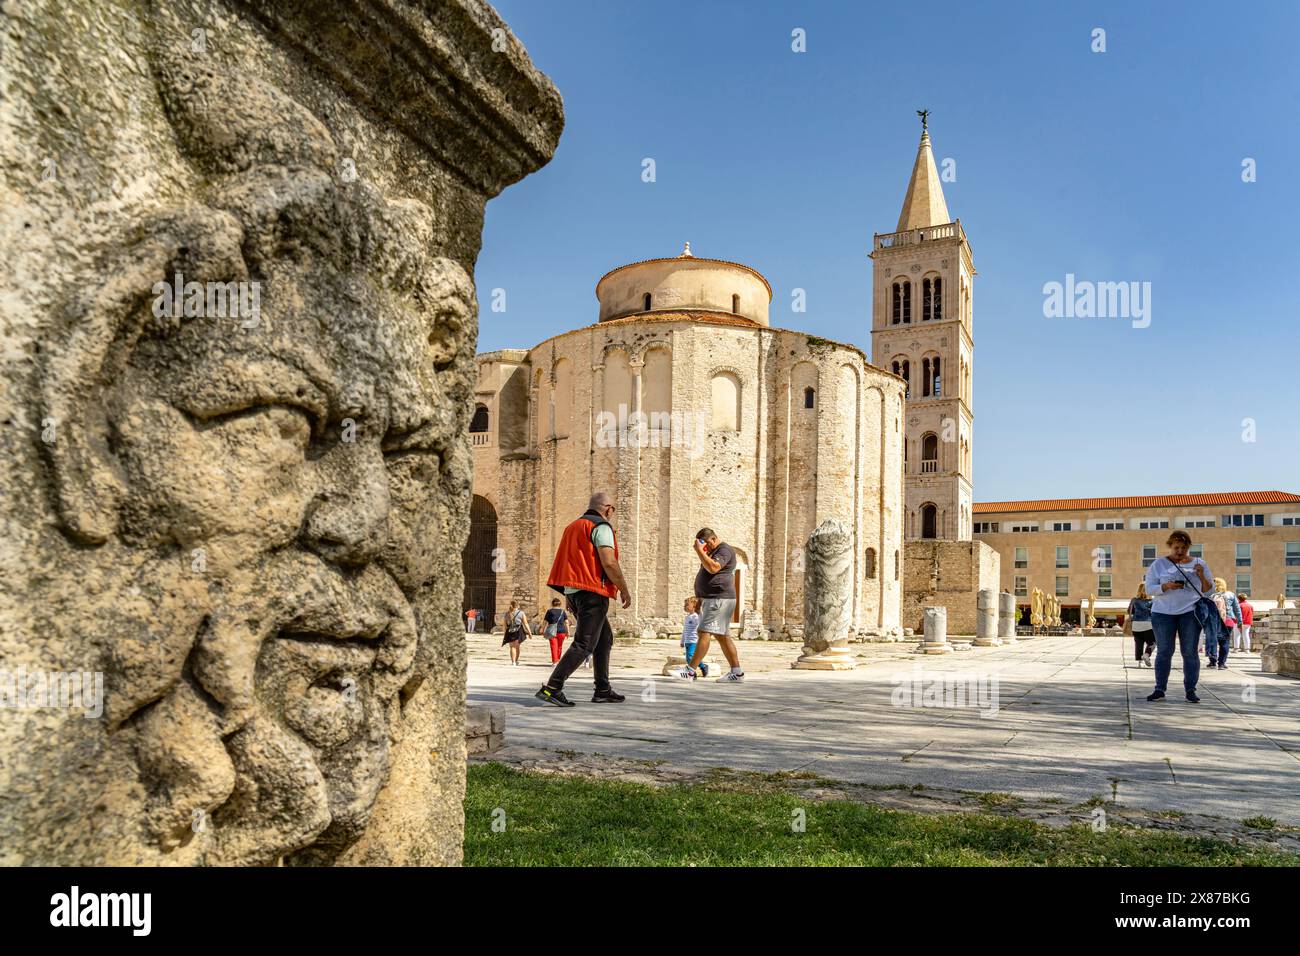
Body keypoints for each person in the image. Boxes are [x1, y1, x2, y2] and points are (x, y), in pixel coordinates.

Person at [535, 492, 632, 706]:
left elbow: (570, 563)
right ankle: (552, 688)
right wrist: (623, 588)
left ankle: (603, 689)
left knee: (604, 639)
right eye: (612, 509)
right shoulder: (601, 527)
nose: (612, 513)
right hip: (593, 592)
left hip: (575, 592)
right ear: (607, 508)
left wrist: (569, 594)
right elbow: (609, 562)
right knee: (584, 643)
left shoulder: (572, 527)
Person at [1143, 531, 1213, 703]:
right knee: (1165, 651)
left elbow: (1210, 590)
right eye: (1176, 547)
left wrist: (1201, 575)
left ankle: (1190, 690)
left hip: (1190, 612)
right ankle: (1159, 689)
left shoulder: (1199, 563)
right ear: (1170, 546)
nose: (1180, 551)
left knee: (1189, 652)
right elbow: (1149, 589)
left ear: (1189, 547)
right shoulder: (1159, 564)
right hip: (1162, 613)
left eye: (1183, 548)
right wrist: (1165, 586)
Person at [677, 528, 744, 682]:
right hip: (712, 599)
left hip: (719, 598)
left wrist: (699, 551)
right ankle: (737, 672)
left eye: (706, 544)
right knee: (722, 637)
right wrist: (700, 599)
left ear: (712, 539)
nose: (705, 548)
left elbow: (714, 568)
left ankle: (690, 671)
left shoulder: (725, 550)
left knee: (704, 632)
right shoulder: (711, 552)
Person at [1206, 578, 1241, 669]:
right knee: (1224, 642)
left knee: (1212, 641)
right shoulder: (1231, 595)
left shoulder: (1211, 596)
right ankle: (1221, 663)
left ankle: (1213, 661)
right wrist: (1240, 621)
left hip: (1214, 621)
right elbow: (1237, 609)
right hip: (1228, 620)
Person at [1125, 582, 1155, 667]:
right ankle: (1146, 654)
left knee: (1139, 643)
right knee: (1152, 642)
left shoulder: (1134, 600)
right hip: (1148, 624)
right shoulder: (1152, 601)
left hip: (1136, 625)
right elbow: (1154, 613)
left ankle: (1139, 662)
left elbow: (1129, 611)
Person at [679, 596, 709, 678]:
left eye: (687, 605)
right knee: (688, 658)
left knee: (690, 656)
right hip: (687, 641)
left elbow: (701, 621)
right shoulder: (687, 618)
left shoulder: (696, 616)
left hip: (694, 641)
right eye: (684, 605)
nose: (685, 607)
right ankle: (697, 670)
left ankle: (698, 669)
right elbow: (684, 630)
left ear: (694, 606)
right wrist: (682, 641)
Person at [542, 597, 572, 664]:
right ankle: (558, 659)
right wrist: (568, 632)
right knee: (559, 646)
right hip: (562, 632)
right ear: (560, 604)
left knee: (553, 646)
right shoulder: (562, 612)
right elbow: (566, 622)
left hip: (552, 632)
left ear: (552, 604)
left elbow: (545, 622)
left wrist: (543, 630)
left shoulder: (549, 611)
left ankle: (555, 661)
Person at [501, 600, 529, 666]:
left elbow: (504, 624)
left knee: (512, 647)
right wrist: (529, 633)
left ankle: (513, 662)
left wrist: (505, 633)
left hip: (509, 631)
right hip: (518, 631)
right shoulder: (521, 613)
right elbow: (525, 623)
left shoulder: (507, 613)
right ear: (518, 606)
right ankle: (516, 661)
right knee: (517, 647)